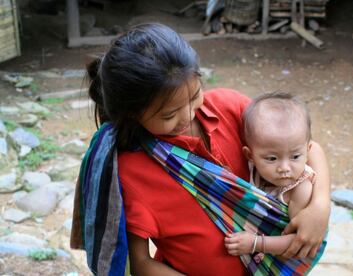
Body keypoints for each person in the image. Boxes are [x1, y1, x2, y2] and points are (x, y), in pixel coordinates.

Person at [73, 23, 331, 275]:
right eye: (169, 114)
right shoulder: (132, 170)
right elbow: (140, 263)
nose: (186, 117)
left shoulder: (230, 107)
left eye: (195, 95)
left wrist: (320, 207)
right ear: (132, 114)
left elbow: (308, 148)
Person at [224, 92, 321, 258]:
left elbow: (300, 239)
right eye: (272, 158)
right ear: (250, 156)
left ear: (307, 150)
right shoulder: (251, 169)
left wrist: (255, 243)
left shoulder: (300, 188)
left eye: (295, 156)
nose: (284, 168)